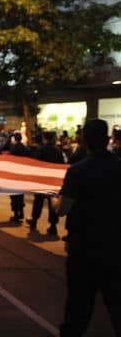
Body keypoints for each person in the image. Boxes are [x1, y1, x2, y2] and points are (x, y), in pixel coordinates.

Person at [53, 119, 121, 336]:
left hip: (84, 247)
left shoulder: (77, 171)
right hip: (115, 246)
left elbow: (63, 208)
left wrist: (55, 199)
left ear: (84, 141)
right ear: (107, 139)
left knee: (79, 302)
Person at [27, 131, 65, 236]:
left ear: (44, 138)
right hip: (53, 181)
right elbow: (61, 165)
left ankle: (34, 220)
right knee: (52, 203)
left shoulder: (41, 150)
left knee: (38, 201)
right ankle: (53, 226)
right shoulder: (58, 151)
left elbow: (36, 165)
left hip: (42, 181)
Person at [8, 132, 30, 222]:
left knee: (14, 195)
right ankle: (21, 211)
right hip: (22, 174)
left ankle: (16, 213)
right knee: (20, 194)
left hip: (14, 174)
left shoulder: (13, 149)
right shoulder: (25, 148)